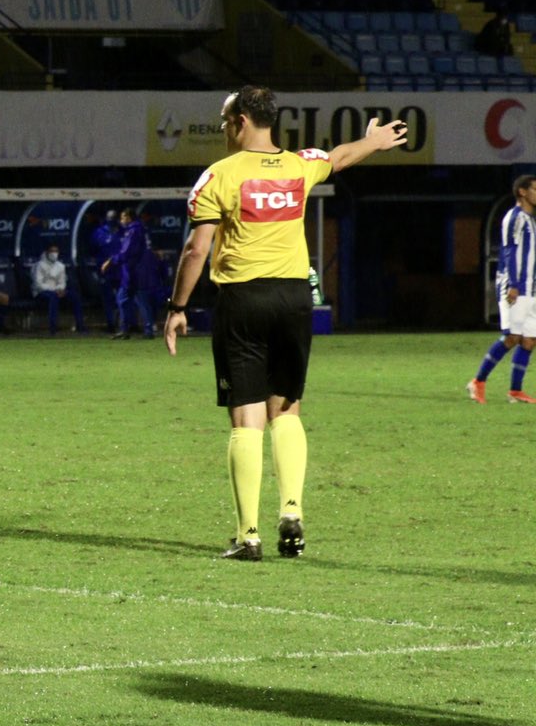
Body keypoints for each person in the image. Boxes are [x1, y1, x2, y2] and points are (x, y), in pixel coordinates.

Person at [164, 85, 408, 560]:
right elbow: (338, 157)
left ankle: (248, 535)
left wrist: (177, 307)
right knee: (287, 410)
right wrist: (374, 142)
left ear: (240, 121)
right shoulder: (298, 165)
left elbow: (196, 249)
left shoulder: (219, 175)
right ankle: (292, 511)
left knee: (246, 417)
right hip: (295, 298)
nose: (223, 128)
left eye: (225, 120)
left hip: (243, 299)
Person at [469, 174, 536, 404]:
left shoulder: (530, 220)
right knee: (512, 337)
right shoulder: (513, 217)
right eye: (535, 189)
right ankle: (478, 381)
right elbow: (508, 251)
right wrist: (513, 284)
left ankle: (515, 391)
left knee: (529, 340)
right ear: (522, 192)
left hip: (532, 287)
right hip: (514, 286)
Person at [111, 209, 158, 339]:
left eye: (123, 218)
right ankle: (135, 329)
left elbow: (127, 252)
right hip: (138, 271)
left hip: (133, 272)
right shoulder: (141, 229)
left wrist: (112, 261)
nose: (121, 221)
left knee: (130, 299)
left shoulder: (134, 231)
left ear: (129, 217)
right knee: (135, 300)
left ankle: (133, 329)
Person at [31, 244, 80, 334]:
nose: (54, 253)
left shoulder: (61, 266)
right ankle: (53, 329)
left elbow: (62, 282)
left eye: (56, 251)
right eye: (52, 251)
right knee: (53, 297)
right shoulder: (39, 265)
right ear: (47, 252)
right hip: (41, 292)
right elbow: (38, 284)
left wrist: (60, 289)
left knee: (75, 296)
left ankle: (80, 326)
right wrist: (54, 290)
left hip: (58, 291)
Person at [89, 208, 121, 333]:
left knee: (123, 298)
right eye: (110, 218)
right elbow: (93, 249)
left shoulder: (123, 231)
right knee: (108, 298)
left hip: (120, 270)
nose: (112, 220)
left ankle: (124, 324)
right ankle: (111, 324)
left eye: (114, 218)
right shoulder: (99, 232)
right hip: (105, 269)